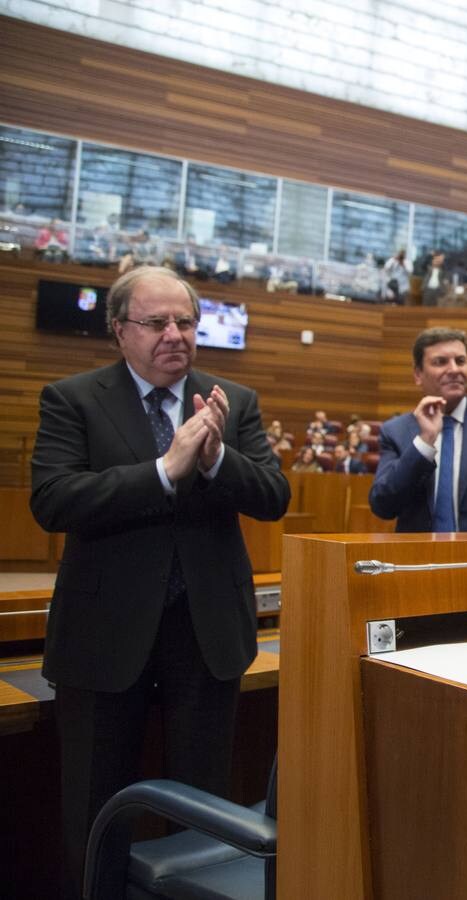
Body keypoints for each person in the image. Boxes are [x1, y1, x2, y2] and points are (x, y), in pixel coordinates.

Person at [29, 266, 290, 899]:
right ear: (119, 331)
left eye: (185, 322)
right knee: (94, 807)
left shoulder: (233, 402)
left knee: (201, 814)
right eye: (155, 323)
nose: (174, 334)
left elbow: (274, 496)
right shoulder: (73, 399)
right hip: (103, 639)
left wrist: (216, 459)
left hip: (205, 641)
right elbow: (53, 500)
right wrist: (165, 471)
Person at [368, 328, 467, 532]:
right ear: (418, 374)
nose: (454, 369)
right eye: (440, 362)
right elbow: (383, 506)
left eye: (460, 361)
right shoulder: (396, 431)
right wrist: (424, 443)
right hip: (421, 560)